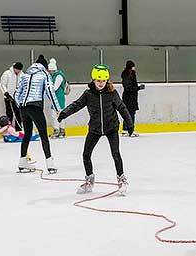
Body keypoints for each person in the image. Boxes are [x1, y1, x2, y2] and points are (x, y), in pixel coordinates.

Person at [57, 64, 134, 195]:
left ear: (107, 80)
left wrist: (130, 124)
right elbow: (77, 105)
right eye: (98, 80)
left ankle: (121, 180)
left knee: (115, 153)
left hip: (111, 127)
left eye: (103, 80)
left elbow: (122, 108)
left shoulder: (112, 93)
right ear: (93, 80)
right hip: (95, 128)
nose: (101, 83)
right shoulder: (88, 94)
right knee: (86, 154)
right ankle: (89, 181)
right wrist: (64, 113)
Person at [14, 54, 60, 173]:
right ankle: (50, 164)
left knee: (27, 134)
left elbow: (16, 93)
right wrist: (57, 108)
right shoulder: (44, 74)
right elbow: (51, 91)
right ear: (44, 66)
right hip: (35, 107)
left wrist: (21, 105)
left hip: (23, 108)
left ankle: (22, 160)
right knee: (44, 135)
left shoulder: (25, 75)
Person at [121, 60, 145, 137]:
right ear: (131, 67)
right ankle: (129, 129)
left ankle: (126, 129)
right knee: (130, 113)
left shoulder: (129, 74)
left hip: (130, 97)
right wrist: (138, 88)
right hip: (129, 98)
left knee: (129, 113)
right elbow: (128, 87)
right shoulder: (128, 75)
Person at [0, 62, 24, 131]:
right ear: (14, 68)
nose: (18, 71)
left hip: (17, 98)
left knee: (18, 114)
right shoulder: (7, 74)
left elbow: (23, 85)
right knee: (9, 113)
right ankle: (8, 130)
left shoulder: (22, 75)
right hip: (8, 98)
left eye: (19, 70)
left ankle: (18, 129)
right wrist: (6, 93)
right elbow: (2, 84)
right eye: (17, 69)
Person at [48, 58, 68, 138]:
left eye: (50, 71)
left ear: (53, 70)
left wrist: (48, 87)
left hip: (58, 98)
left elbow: (55, 88)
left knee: (57, 114)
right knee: (56, 114)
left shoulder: (58, 76)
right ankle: (60, 130)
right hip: (56, 98)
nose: (49, 73)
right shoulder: (56, 75)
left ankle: (58, 130)